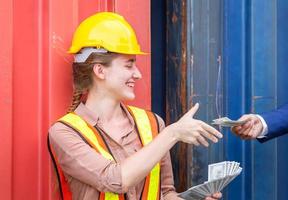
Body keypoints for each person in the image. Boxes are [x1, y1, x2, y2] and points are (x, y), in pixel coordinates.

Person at [48, 12, 223, 200]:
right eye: (128, 65)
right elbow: (113, 180)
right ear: (99, 70)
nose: (138, 74)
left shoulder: (152, 123)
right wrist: (173, 134)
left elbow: (164, 193)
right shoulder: (65, 133)